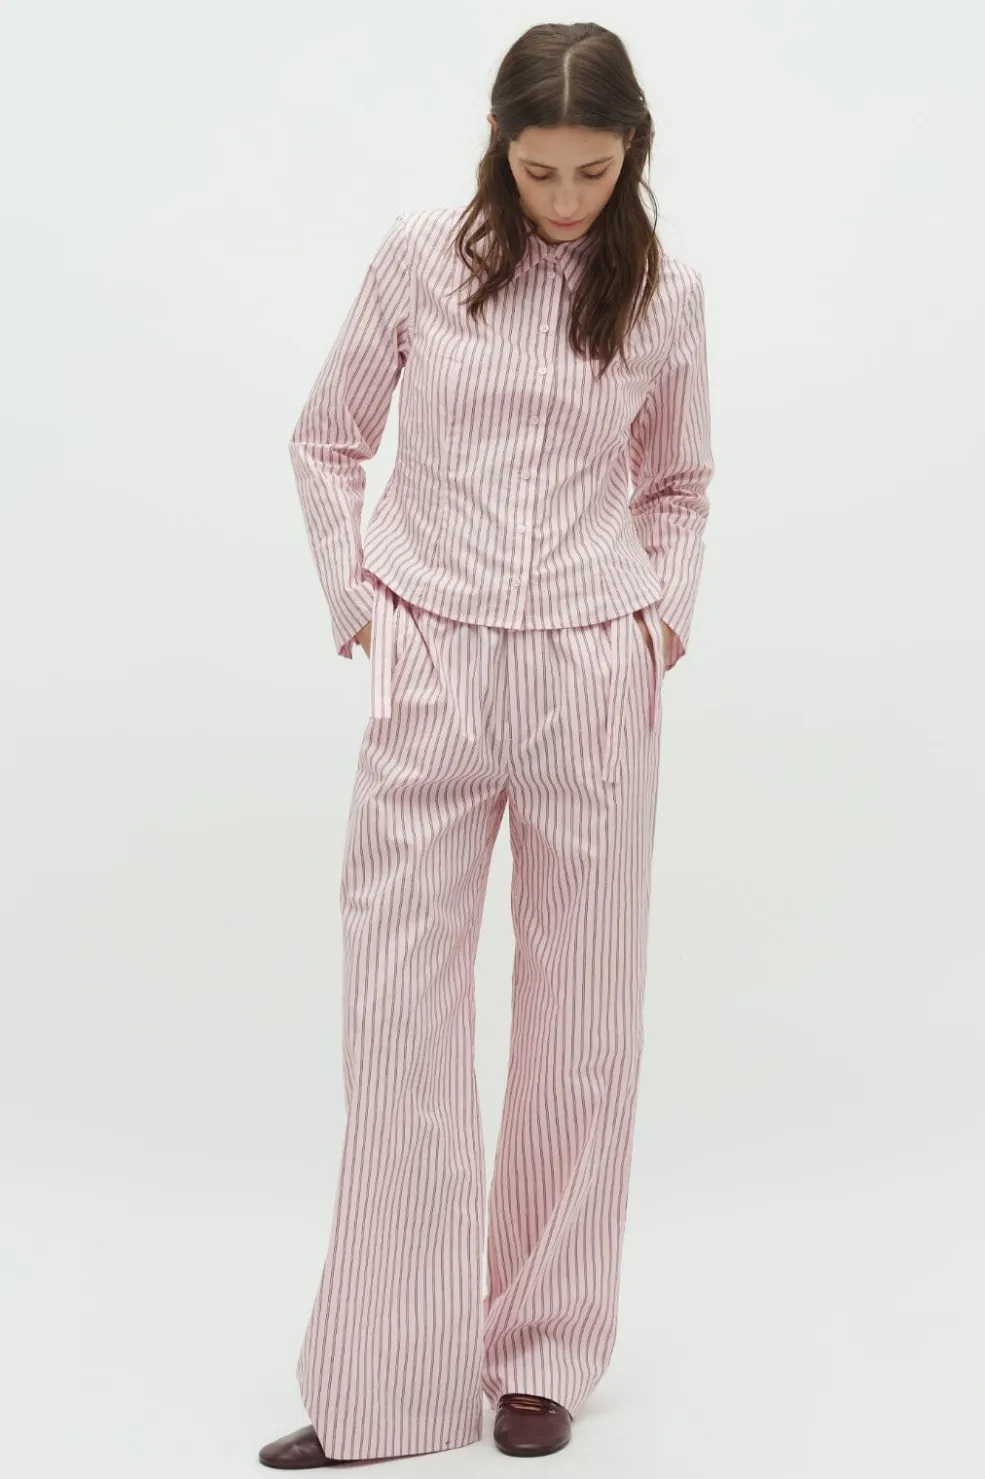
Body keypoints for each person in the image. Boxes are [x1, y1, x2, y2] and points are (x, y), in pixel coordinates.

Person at [259, 19, 714, 1470]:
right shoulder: (419, 258)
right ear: (499, 149)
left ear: (631, 154)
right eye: (540, 169)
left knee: (584, 1021)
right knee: (399, 1013)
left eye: (594, 170)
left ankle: (541, 1353)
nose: (566, 198)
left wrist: (658, 625)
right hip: (435, 660)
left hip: (593, 672)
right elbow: (326, 438)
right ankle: (383, 1385)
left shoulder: (667, 294)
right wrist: (362, 607)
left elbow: (682, 483)